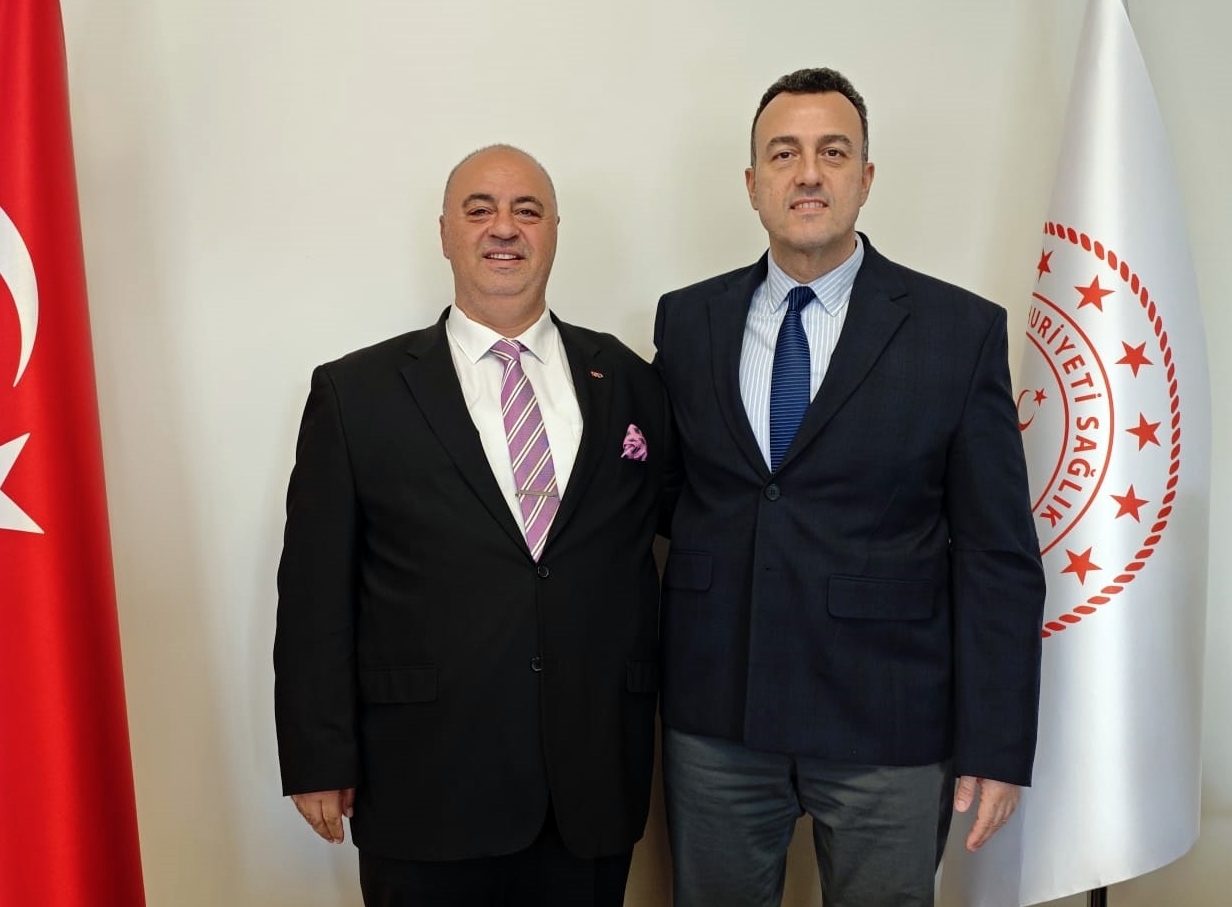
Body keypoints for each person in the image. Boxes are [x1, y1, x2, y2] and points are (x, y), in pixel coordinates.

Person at [653, 68, 1046, 906]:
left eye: (832, 153)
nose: (808, 174)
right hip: (717, 717)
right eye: (783, 154)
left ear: (866, 178)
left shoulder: (958, 332)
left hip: (888, 725)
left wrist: (996, 741)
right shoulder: (686, 322)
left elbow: (997, 554)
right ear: (751, 182)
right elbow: (665, 499)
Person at [274, 144, 671, 907]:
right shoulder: (357, 393)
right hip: (424, 781)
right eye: (480, 209)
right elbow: (315, 590)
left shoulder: (629, 380)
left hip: (589, 782)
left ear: (554, 229)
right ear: (446, 232)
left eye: (527, 210)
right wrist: (319, 753)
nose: (505, 227)